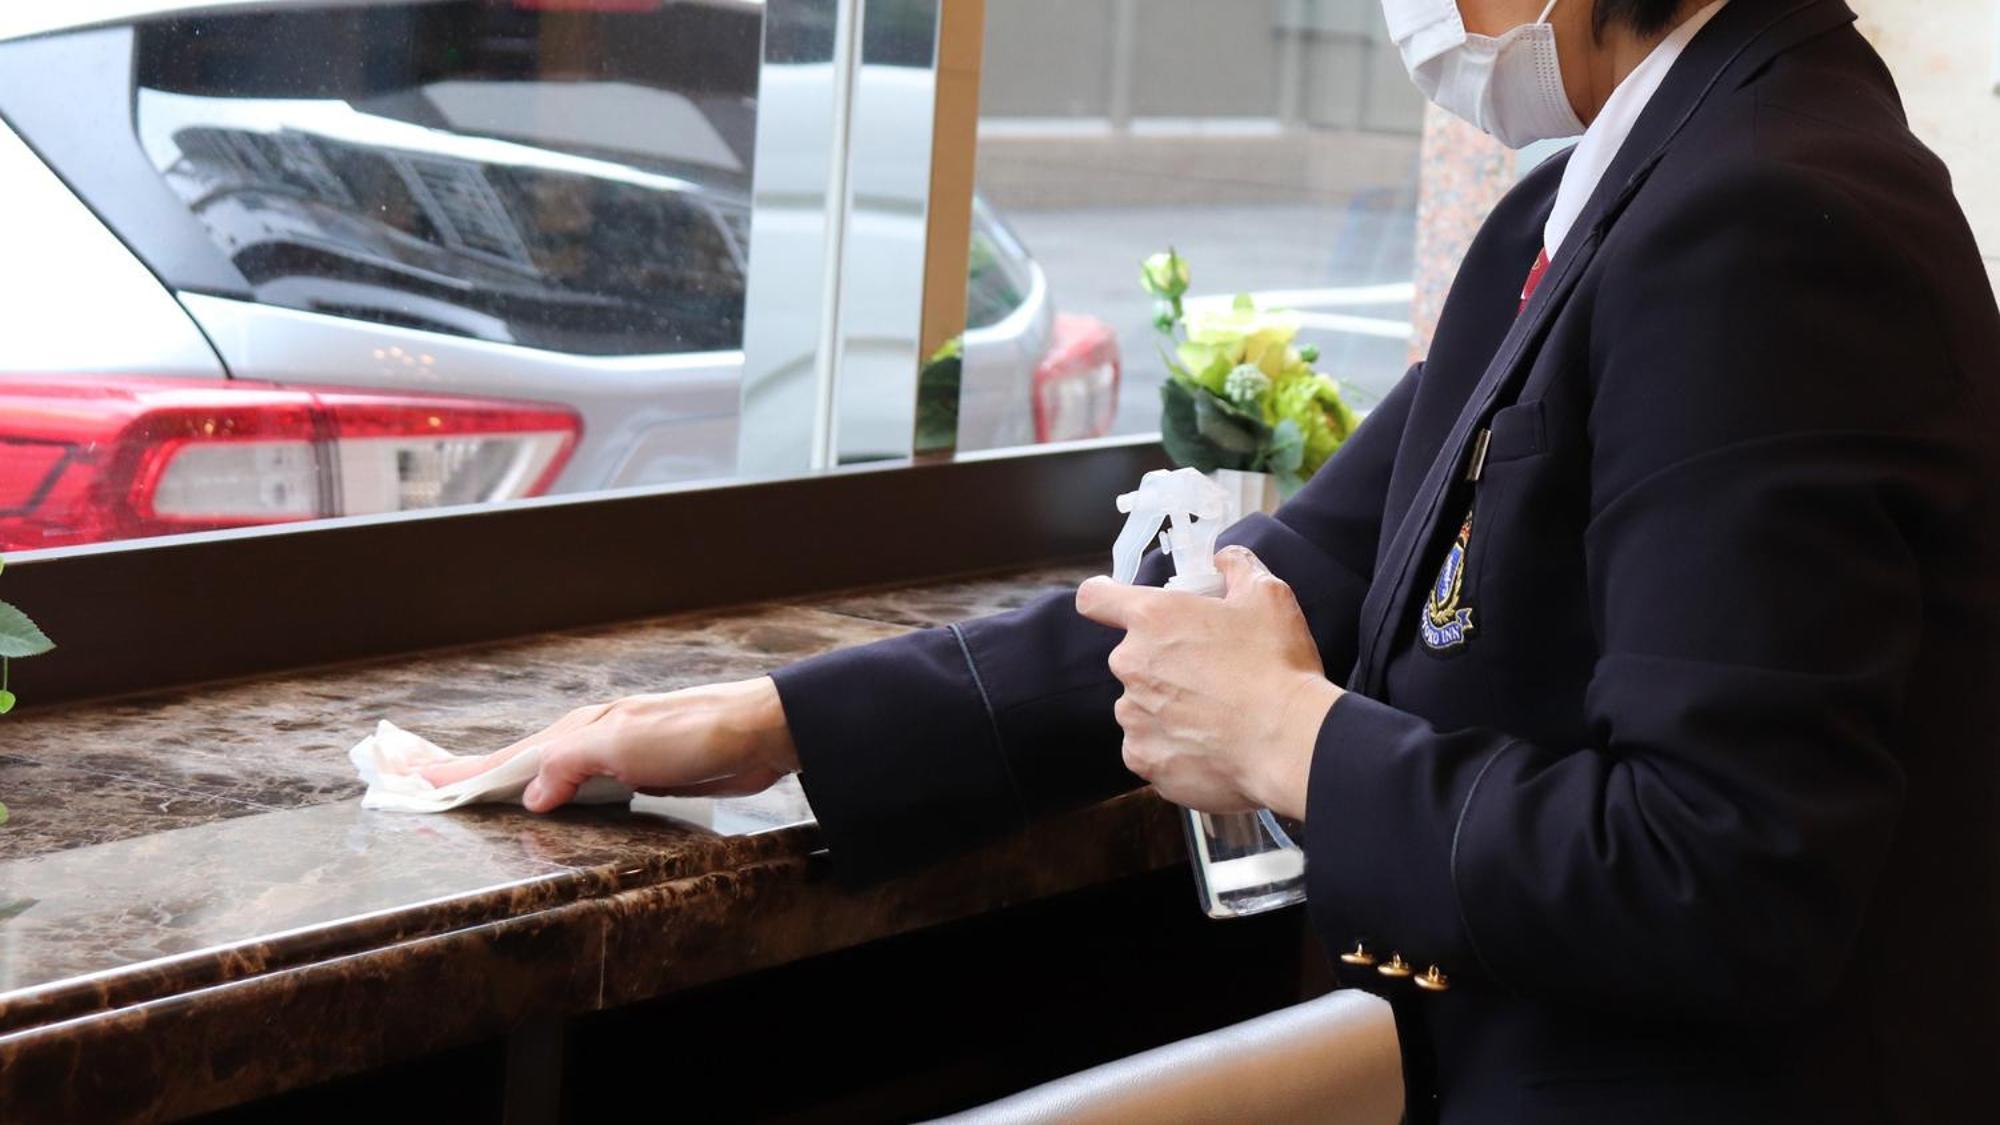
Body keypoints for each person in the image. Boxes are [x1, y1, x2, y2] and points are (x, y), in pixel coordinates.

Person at [427, 0, 2000, 1120]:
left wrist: (1290, 738)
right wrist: (782, 721)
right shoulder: (1598, 198)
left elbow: (1719, 871)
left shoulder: (1773, 218)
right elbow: (1292, 568)